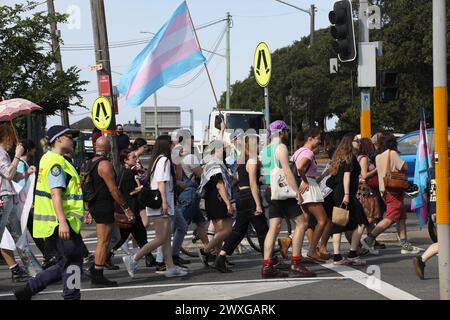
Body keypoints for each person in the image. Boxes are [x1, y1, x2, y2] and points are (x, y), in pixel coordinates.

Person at [13, 125, 84, 300]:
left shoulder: (50, 159)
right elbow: (55, 194)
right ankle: (71, 297)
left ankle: (28, 290)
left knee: (65, 262)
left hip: (57, 223)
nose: (72, 140)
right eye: (69, 136)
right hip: (59, 223)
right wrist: (63, 222)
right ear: (58, 139)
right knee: (73, 262)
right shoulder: (55, 162)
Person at [122, 135, 187, 278]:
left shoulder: (159, 159)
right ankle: (133, 259)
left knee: (165, 237)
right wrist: (164, 202)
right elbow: (161, 182)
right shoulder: (163, 160)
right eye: (171, 144)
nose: (172, 146)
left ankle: (170, 267)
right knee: (161, 238)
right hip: (160, 204)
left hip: (161, 203)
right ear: (166, 145)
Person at [260, 120, 315, 278]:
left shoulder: (265, 150)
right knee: (302, 222)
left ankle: (267, 265)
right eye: (286, 130)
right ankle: (296, 262)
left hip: (271, 190)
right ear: (282, 132)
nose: (287, 133)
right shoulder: (281, 147)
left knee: (274, 227)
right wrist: (297, 191)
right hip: (283, 191)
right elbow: (287, 171)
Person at [214, 134, 269, 272]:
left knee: (238, 231)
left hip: (241, 197)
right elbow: (253, 184)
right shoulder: (251, 161)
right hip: (250, 196)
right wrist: (257, 204)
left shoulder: (242, 161)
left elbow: (239, 179)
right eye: (257, 144)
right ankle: (268, 261)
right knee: (263, 230)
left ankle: (221, 257)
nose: (259, 147)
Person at [86, 136, 135, 287]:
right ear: (108, 149)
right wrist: (126, 208)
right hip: (104, 205)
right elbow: (113, 189)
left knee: (107, 239)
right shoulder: (105, 164)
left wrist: (88, 209)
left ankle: (95, 268)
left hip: (94, 204)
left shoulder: (90, 163)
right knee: (103, 240)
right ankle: (98, 274)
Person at [361, 132, 420, 254]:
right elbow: (405, 167)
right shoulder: (392, 153)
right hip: (394, 190)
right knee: (391, 217)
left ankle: (405, 244)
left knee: (401, 217)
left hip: (384, 190)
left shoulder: (378, 157)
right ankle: (369, 239)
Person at [0, 123, 35, 282]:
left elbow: (14, 175)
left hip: (8, 197)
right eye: (11, 138)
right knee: (14, 235)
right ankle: (30, 268)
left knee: (17, 235)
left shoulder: (3, 153)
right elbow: (8, 173)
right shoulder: (0, 153)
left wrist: (26, 173)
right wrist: (17, 156)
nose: (14, 142)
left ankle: (31, 268)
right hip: (3, 197)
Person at [327, 134, 367, 265]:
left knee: (338, 222)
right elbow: (346, 177)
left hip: (338, 193)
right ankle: (352, 253)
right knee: (361, 221)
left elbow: (331, 173)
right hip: (345, 193)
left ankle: (338, 256)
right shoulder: (350, 158)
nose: (359, 142)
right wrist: (347, 194)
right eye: (357, 140)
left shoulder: (339, 157)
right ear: (351, 142)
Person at [293, 128, 329, 262]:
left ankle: (287, 241)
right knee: (322, 220)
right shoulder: (308, 152)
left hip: (305, 187)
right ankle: (312, 250)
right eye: (318, 138)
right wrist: (305, 180)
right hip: (309, 188)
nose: (319, 141)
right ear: (310, 138)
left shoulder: (298, 152)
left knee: (306, 221)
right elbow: (300, 168)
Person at [197, 140, 234, 265]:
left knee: (219, 232)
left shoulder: (208, 164)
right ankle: (206, 250)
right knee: (227, 231)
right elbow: (219, 185)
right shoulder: (216, 164)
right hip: (218, 200)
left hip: (211, 200)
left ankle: (220, 258)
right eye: (222, 149)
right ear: (215, 150)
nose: (224, 151)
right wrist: (228, 203)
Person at [110, 149, 150, 262]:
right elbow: (130, 192)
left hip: (129, 208)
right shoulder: (128, 173)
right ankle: (107, 255)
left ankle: (149, 258)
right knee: (127, 236)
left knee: (139, 235)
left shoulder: (123, 171)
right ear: (125, 161)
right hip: (130, 209)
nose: (136, 159)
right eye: (133, 158)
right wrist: (141, 188)